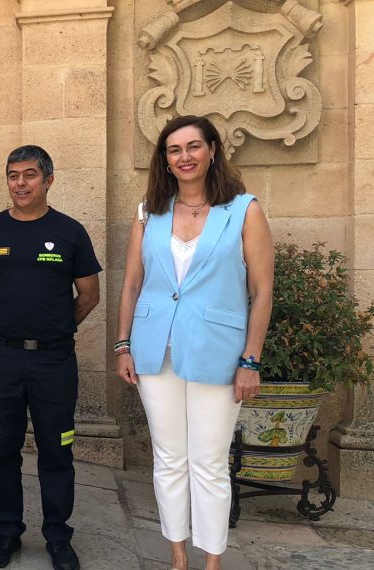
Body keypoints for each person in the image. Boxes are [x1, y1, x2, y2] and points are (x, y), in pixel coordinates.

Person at [116, 115, 272, 570]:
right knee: (169, 458)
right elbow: (131, 284)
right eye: (173, 150)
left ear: (212, 151)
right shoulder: (149, 212)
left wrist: (251, 360)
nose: (183, 157)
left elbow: (262, 290)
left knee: (209, 462)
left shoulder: (244, 209)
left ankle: (213, 561)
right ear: (164, 159)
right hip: (154, 349)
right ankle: (178, 556)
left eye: (192, 147)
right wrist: (123, 345)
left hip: (218, 353)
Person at [0, 145, 100, 570]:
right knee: (1, 449)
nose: (20, 183)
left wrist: (55, 329)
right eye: (13, 175)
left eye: (30, 175)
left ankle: (58, 535)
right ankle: (6, 532)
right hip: (1, 358)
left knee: (57, 450)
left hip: (54, 361)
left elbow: (89, 295)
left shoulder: (71, 232)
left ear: (48, 180)